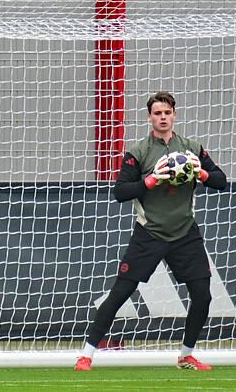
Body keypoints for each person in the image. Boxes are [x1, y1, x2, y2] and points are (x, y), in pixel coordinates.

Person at [75, 91, 227, 371]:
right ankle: (86, 355)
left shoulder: (192, 148)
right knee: (120, 294)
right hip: (149, 233)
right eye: (157, 113)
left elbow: (221, 181)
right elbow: (120, 192)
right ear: (150, 117)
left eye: (167, 113)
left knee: (203, 295)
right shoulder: (138, 152)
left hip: (184, 233)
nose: (163, 118)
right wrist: (152, 180)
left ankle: (186, 355)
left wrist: (201, 173)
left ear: (174, 115)